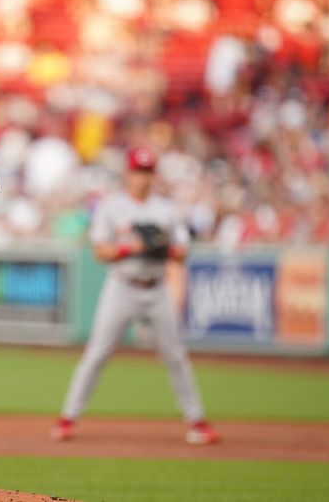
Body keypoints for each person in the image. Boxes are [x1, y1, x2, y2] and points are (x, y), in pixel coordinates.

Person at [51, 147, 218, 445]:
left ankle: (197, 421)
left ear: (153, 175)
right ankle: (67, 418)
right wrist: (133, 247)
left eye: (147, 171)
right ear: (129, 173)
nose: (142, 177)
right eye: (138, 171)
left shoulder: (166, 209)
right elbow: (101, 252)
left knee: (176, 356)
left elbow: (182, 253)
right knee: (96, 354)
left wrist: (160, 247)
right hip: (122, 286)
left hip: (157, 287)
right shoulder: (112, 207)